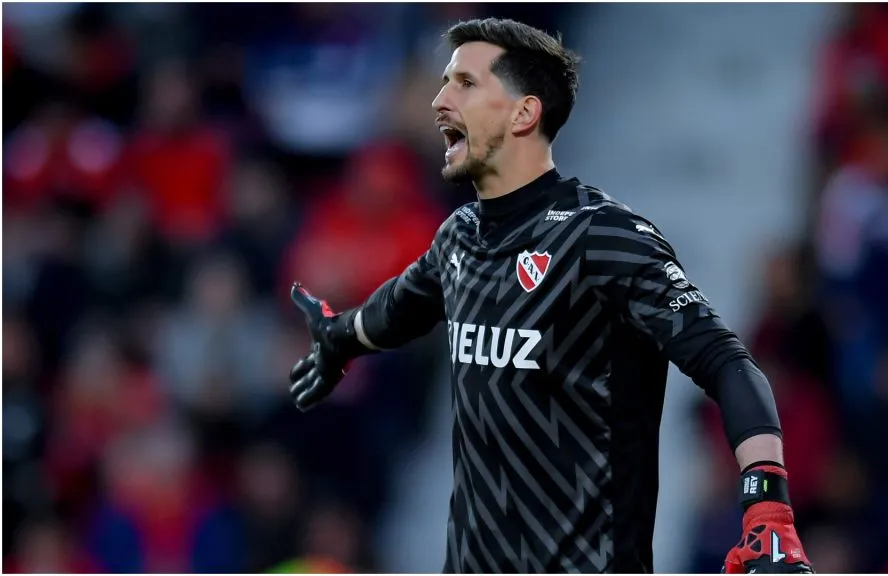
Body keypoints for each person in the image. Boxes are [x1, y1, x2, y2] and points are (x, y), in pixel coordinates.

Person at [289, 18, 812, 574]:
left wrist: (767, 509)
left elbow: (728, 363)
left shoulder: (603, 239)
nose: (440, 100)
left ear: (523, 113)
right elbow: (397, 309)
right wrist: (337, 337)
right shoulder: (460, 236)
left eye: (466, 84)